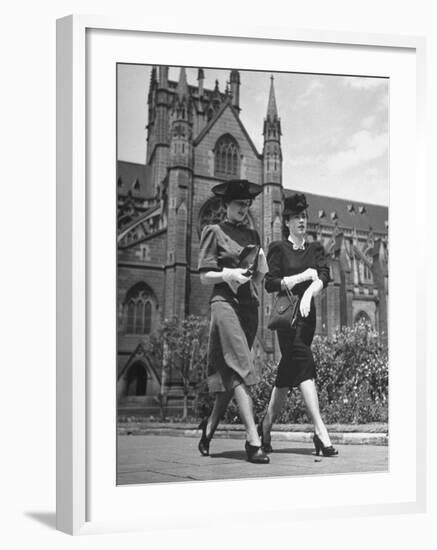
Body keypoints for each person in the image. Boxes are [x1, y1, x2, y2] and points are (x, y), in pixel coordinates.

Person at [259, 193, 338, 457]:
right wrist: (299, 279)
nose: (302, 221)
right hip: (287, 319)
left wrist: (309, 291)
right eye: (297, 217)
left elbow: (325, 276)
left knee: (286, 372)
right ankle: (320, 431)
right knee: (304, 362)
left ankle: (266, 424)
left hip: (307, 317)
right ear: (288, 222)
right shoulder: (278, 249)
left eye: (304, 216)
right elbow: (270, 282)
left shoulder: (315, 249)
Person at [197, 179, 270, 464]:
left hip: (248, 308)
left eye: (247, 203)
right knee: (242, 364)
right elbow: (204, 276)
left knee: (230, 377)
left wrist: (261, 269)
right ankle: (253, 439)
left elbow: (259, 276)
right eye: (239, 203)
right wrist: (227, 275)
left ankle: (208, 429)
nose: (244, 207)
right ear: (226, 205)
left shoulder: (253, 233)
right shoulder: (212, 231)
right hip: (224, 303)